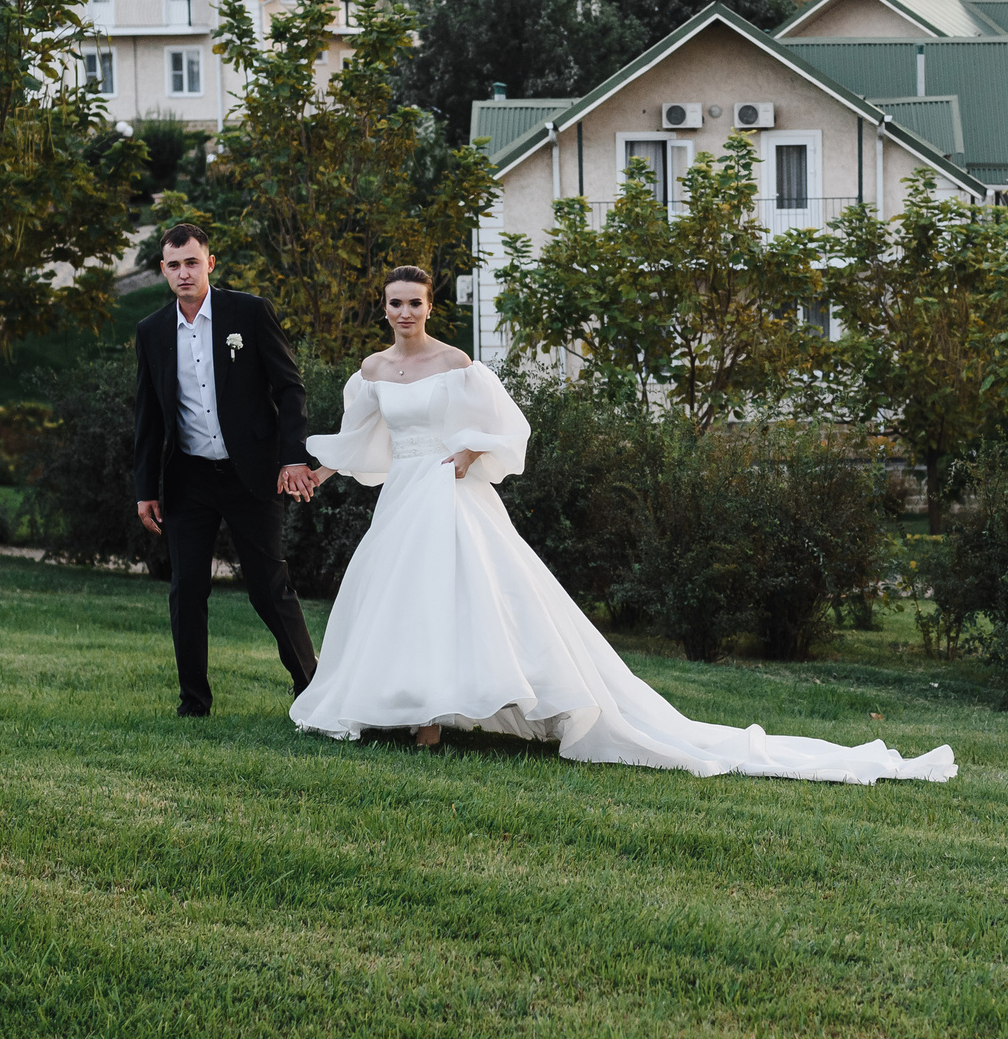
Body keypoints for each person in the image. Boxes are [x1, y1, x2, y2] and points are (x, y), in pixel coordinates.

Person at [290, 267, 955, 784]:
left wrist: (464, 454)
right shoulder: (373, 372)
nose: (404, 312)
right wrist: (316, 473)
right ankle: (402, 707)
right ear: (383, 308)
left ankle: (433, 721)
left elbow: (503, 428)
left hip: (448, 493)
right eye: (394, 302)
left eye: (415, 301)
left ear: (430, 305)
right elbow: (358, 441)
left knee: (458, 600)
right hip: (403, 497)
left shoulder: (458, 365)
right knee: (402, 604)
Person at [132, 224, 327, 717]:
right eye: (173, 265)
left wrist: (292, 455)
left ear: (210, 264)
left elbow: (289, 389)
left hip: (253, 473)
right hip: (188, 479)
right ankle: (193, 702)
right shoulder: (151, 331)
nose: (183, 273)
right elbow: (149, 416)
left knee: (268, 586)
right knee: (186, 589)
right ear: (162, 271)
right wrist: (145, 488)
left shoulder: (249, 312)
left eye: (192, 263)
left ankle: (315, 689)